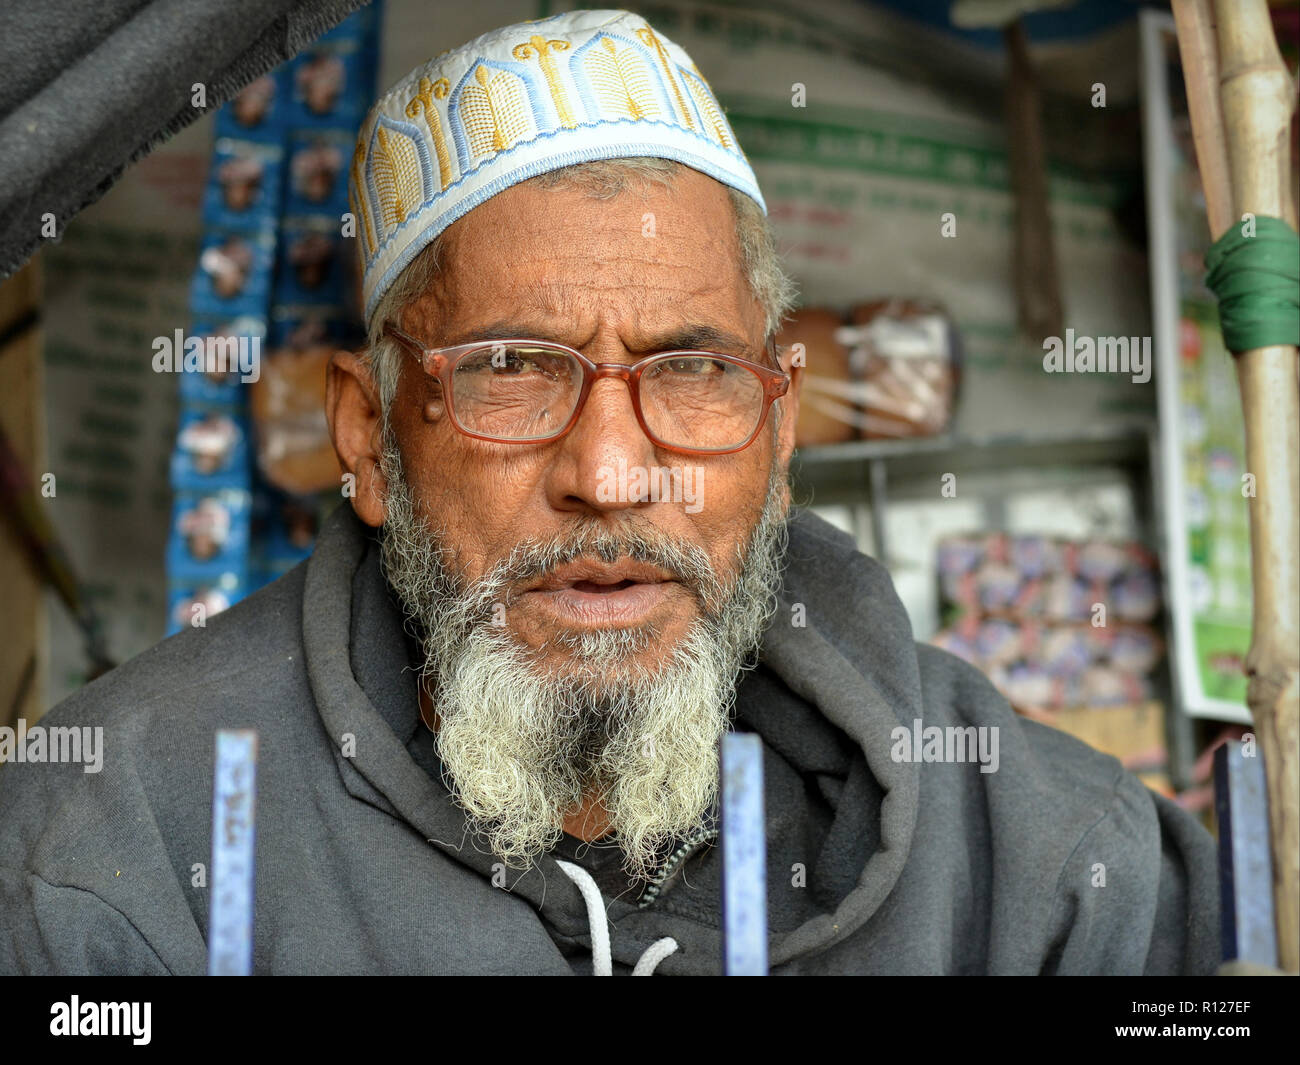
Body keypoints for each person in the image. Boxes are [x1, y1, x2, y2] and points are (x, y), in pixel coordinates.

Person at [0, 8, 1218, 975]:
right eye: (514, 370)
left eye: (691, 371)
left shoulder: (1038, 862)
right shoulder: (118, 853)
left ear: (781, 432)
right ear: (369, 438)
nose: (612, 474)